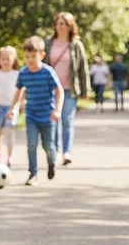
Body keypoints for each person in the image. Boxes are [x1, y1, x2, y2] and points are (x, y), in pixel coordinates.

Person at [8, 37, 63, 186]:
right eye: (27, 57)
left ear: (42, 55)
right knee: (31, 144)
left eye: (33, 56)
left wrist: (57, 110)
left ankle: (51, 162)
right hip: (31, 115)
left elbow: (59, 91)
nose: (30, 60)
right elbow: (18, 92)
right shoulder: (23, 73)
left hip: (48, 116)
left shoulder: (47, 72)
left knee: (48, 146)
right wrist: (13, 108)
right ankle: (33, 174)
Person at [46, 12, 89, 166]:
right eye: (57, 23)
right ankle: (55, 151)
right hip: (52, 89)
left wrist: (85, 90)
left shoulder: (76, 45)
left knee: (67, 120)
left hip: (70, 88)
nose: (60, 26)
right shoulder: (49, 44)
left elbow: (83, 68)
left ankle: (67, 152)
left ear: (70, 26)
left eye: (63, 23)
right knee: (54, 120)